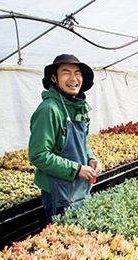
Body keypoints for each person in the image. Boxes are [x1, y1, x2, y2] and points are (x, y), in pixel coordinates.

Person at [28, 54, 102, 222]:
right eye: (66, 73)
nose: (73, 78)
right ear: (54, 78)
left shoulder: (78, 107)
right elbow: (38, 155)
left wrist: (91, 158)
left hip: (80, 189)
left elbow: (82, 143)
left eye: (77, 73)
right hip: (58, 194)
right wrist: (76, 169)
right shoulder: (49, 110)